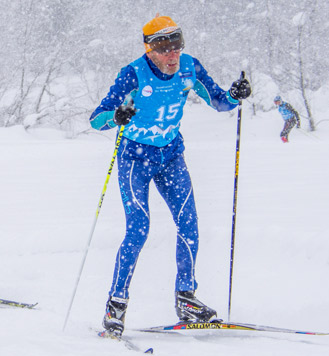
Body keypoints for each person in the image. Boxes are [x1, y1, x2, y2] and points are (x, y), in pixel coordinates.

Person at [89, 15, 251, 336]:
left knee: (189, 224)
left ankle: (186, 299)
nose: (172, 53)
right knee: (138, 230)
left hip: (170, 155)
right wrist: (116, 116)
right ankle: (116, 306)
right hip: (136, 158)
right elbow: (97, 120)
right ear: (149, 49)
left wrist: (235, 94)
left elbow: (219, 101)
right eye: (163, 47)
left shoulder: (189, 68)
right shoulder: (132, 74)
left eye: (176, 43)